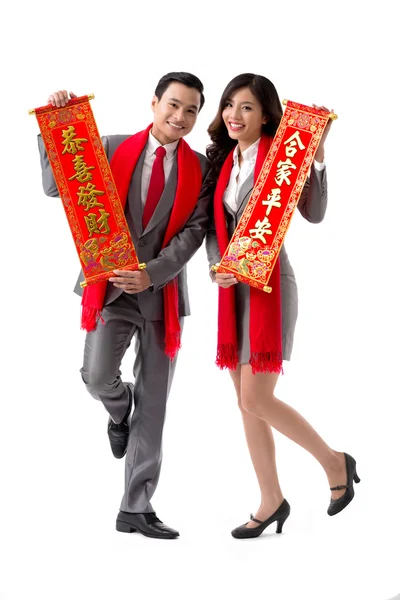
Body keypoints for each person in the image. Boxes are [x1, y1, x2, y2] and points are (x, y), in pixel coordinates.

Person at [38, 72, 213, 539]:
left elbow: (195, 230)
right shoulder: (112, 146)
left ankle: (136, 507)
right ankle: (119, 413)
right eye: (173, 105)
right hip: (111, 288)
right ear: (154, 102)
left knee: (154, 405)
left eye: (192, 110)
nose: (180, 117)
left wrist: (152, 273)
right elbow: (59, 187)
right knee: (96, 377)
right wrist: (57, 125)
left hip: (162, 295)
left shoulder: (199, 168)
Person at [206, 73, 359, 539]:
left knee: (257, 396)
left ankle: (335, 462)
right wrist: (218, 267)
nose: (235, 114)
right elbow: (213, 230)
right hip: (232, 286)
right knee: (244, 403)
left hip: (271, 284)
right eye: (230, 104)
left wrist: (317, 157)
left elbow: (313, 214)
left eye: (247, 107)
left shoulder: (284, 155)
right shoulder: (221, 159)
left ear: (267, 114)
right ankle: (271, 500)